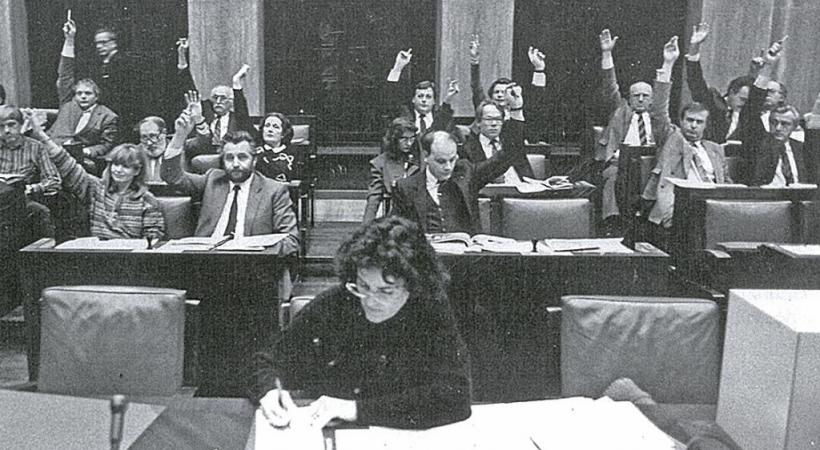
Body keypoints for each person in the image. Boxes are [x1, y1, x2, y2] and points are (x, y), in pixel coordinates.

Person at [249, 216, 472, 429]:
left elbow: (457, 397)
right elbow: (266, 360)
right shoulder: (334, 302)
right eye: (363, 286)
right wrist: (268, 392)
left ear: (413, 286)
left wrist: (354, 409)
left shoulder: (430, 313)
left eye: (386, 291)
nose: (371, 301)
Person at [161, 108, 299, 255]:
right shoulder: (212, 179)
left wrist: (257, 254)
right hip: (207, 260)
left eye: (242, 157)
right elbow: (172, 177)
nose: (235, 164)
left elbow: (290, 240)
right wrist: (179, 138)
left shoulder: (273, 190)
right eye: (229, 158)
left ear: (254, 161)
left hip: (250, 262)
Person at [391, 85, 526, 234]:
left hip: (466, 253)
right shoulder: (406, 187)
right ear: (427, 157)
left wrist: (516, 110)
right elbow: (397, 232)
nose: (448, 167)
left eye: (452, 159)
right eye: (441, 161)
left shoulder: (466, 173)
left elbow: (508, 154)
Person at [25, 108, 165, 240]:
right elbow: (66, 163)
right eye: (115, 164)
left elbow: (153, 238)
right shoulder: (96, 188)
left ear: (136, 170)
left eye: (125, 166)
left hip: (130, 257)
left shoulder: (148, 200)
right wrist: (42, 135)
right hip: (96, 253)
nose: (118, 170)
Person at [596, 30, 675, 234]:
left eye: (645, 95)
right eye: (636, 95)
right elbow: (610, 87)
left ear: (651, 99)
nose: (640, 99)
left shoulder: (658, 118)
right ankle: (612, 224)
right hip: (619, 163)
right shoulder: (620, 111)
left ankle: (651, 228)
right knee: (613, 177)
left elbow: (662, 99)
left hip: (649, 166)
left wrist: (668, 65)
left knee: (656, 181)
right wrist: (607, 54)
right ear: (629, 98)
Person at [642, 102, 731, 231]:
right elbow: (658, 114)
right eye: (689, 120)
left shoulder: (715, 149)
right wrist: (664, 80)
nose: (693, 126)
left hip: (712, 203)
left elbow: (726, 182)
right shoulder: (671, 139)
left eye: (699, 122)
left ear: (706, 125)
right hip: (680, 204)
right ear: (681, 121)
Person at [48, 19, 119, 175]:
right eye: (79, 93)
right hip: (50, 154)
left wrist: (87, 151)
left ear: (96, 96)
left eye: (88, 94)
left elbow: (106, 145)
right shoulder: (67, 103)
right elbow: (65, 74)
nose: (83, 97)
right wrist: (69, 40)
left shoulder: (106, 116)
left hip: (80, 162)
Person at [741, 41, 818, 186]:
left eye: (785, 124)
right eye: (774, 122)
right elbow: (751, 110)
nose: (778, 128)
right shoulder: (758, 142)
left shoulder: (799, 148)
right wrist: (768, 66)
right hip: (768, 202)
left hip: (798, 200)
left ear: (794, 127)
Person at [176, 39, 255, 158]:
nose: (218, 102)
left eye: (223, 98)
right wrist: (182, 56)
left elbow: (241, 108)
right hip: (203, 157)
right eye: (215, 97)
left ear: (231, 102)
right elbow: (189, 88)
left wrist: (236, 83)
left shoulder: (238, 118)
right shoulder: (205, 111)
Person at [468, 36, 548, 142]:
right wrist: (474, 61)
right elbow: (476, 87)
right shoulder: (484, 107)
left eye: (504, 92)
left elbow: (537, 97)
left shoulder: (518, 112)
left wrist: (539, 69)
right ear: (491, 96)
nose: (500, 95)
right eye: (497, 92)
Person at [685, 22, 754, 144]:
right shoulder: (714, 103)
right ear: (732, 92)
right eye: (742, 99)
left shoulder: (746, 114)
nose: (744, 104)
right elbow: (696, 83)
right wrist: (694, 48)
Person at [386, 48, 456, 137]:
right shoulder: (404, 116)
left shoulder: (441, 119)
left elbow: (442, 121)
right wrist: (398, 68)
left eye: (428, 97)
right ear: (413, 99)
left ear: (434, 101)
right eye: (420, 96)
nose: (424, 100)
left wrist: (448, 98)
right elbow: (391, 97)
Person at [363, 117, 420, 223]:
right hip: (397, 220)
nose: (409, 143)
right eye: (404, 139)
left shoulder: (421, 159)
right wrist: (365, 229)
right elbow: (374, 198)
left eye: (412, 139)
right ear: (394, 139)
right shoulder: (380, 163)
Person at [253, 112, 304, 183]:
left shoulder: (294, 154)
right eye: (267, 126)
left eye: (275, 127)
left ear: (283, 133)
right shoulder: (254, 153)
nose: (270, 130)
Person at [136, 116, 169, 183]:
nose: (149, 143)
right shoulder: (134, 153)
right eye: (144, 137)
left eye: (153, 136)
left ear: (164, 133)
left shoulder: (179, 150)